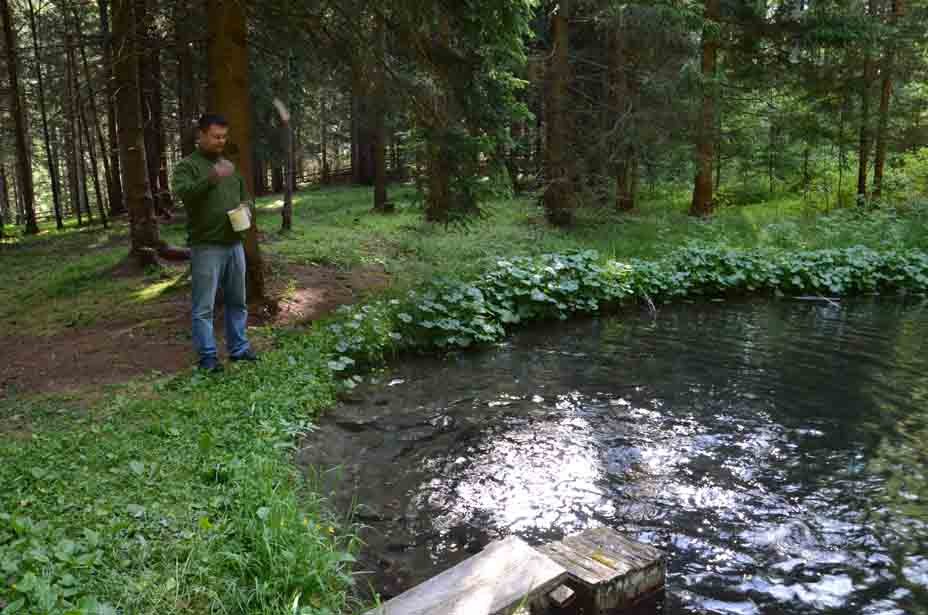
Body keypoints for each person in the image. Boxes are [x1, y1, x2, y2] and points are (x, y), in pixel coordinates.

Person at [171, 113, 258, 372]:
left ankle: (239, 349)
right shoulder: (188, 166)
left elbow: (246, 196)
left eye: (224, 136)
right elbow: (184, 194)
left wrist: (246, 207)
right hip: (206, 245)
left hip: (234, 244)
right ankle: (208, 357)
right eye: (215, 136)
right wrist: (212, 178)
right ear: (201, 135)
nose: (221, 141)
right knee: (204, 306)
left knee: (237, 301)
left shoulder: (230, 167)